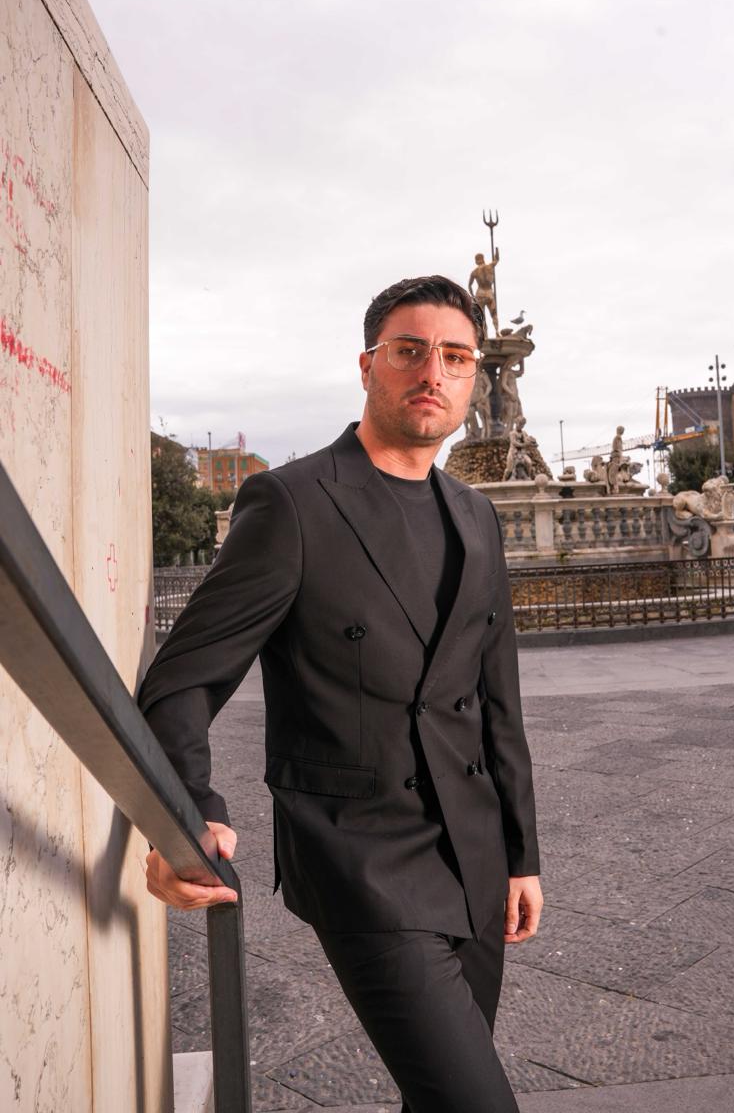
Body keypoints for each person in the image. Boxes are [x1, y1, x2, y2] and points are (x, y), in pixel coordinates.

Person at [139, 275, 542, 1113]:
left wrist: (520, 854)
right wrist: (186, 815)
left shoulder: (476, 515)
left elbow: (495, 700)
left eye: (455, 357)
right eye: (409, 351)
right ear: (367, 366)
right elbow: (183, 679)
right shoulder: (291, 502)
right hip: (362, 859)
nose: (432, 372)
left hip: (472, 857)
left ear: (473, 377)